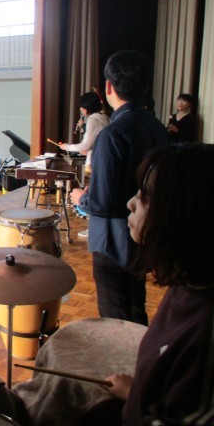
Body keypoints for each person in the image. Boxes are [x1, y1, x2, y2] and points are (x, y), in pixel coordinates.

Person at [105, 143, 214, 425]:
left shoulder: (207, 331)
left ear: (184, 215)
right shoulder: (188, 280)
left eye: (145, 197)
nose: (130, 203)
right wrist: (136, 393)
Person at [70, 50, 169, 326]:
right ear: (146, 86)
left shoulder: (113, 134)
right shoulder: (158, 129)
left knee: (115, 318)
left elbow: (102, 203)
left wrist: (81, 198)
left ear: (109, 87)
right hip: (144, 234)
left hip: (112, 241)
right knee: (136, 308)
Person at [59, 92, 110, 171]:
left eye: (81, 107)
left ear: (86, 108)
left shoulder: (92, 119)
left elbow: (85, 145)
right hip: (104, 161)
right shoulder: (105, 117)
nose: (80, 109)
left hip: (95, 164)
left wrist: (67, 147)